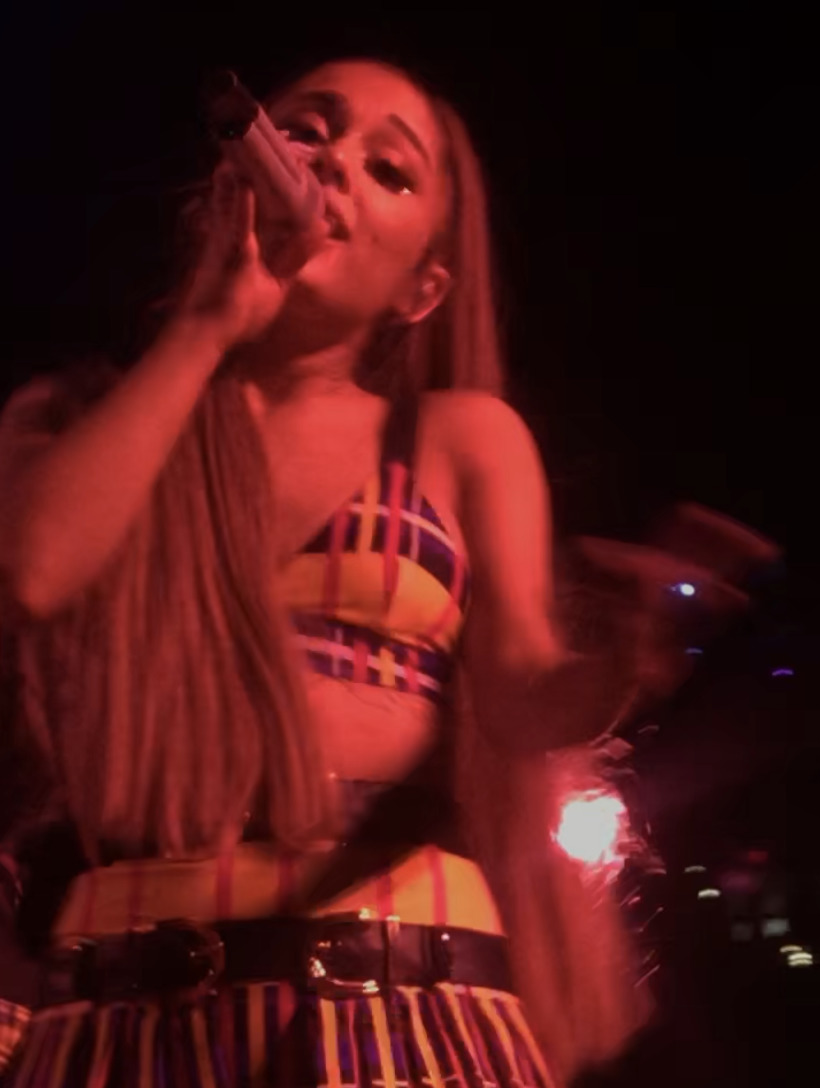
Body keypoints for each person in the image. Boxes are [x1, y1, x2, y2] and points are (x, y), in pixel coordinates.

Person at [0, 56, 667, 1087]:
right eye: (307, 130)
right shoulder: (85, 419)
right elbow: (32, 573)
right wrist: (207, 323)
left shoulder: (457, 438)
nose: (334, 164)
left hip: (398, 992)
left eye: (389, 170)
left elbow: (519, 691)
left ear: (421, 288)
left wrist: (615, 656)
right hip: (118, 998)